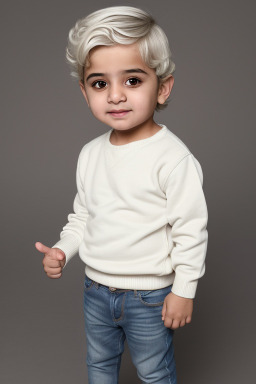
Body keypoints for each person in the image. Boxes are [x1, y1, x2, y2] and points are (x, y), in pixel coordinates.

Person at [35, 6, 208, 384]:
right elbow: (84, 216)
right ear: (84, 91)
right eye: (100, 84)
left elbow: (190, 230)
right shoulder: (91, 153)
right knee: (99, 364)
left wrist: (184, 290)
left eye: (132, 80)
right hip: (95, 289)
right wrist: (64, 248)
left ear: (162, 87)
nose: (115, 96)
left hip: (150, 297)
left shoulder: (173, 159)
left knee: (153, 371)